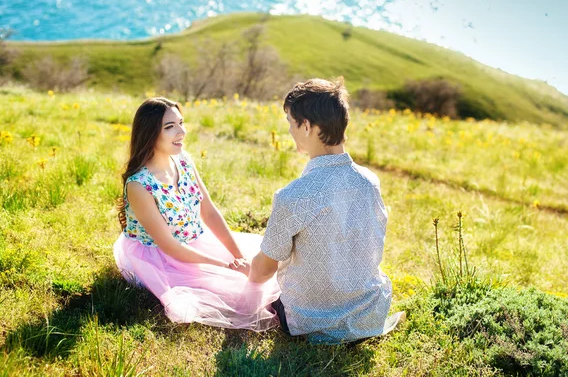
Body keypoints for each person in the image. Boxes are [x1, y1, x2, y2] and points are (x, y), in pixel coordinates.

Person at [245, 78, 404, 343]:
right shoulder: (369, 182)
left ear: (306, 126)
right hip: (367, 315)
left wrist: (247, 273)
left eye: (290, 123)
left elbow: (263, 271)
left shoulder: (292, 196)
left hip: (309, 322)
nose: (289, 130)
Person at [113, 97, 279, 331]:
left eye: (181, 123)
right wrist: (226, 265)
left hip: (195, 241)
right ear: (150, 134)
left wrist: (239, 257)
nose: (181, 132)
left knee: (263, 266)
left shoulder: (183, 160)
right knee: (238, 293)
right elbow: (170, 246)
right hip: (162, 256)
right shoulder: (139, 185)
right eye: (170, 127)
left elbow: (209, 212)